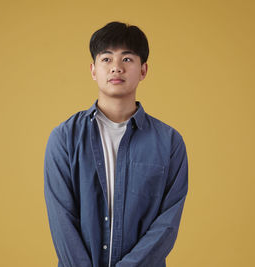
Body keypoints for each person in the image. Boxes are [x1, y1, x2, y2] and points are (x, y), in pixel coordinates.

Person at [44, 21, 189, 267]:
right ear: (93, 70)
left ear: (143, 70)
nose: (116, 68)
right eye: (107, 59)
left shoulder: (169, 142)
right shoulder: (64, 138)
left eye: (127, 59)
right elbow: (62, 222)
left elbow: (167, 225)